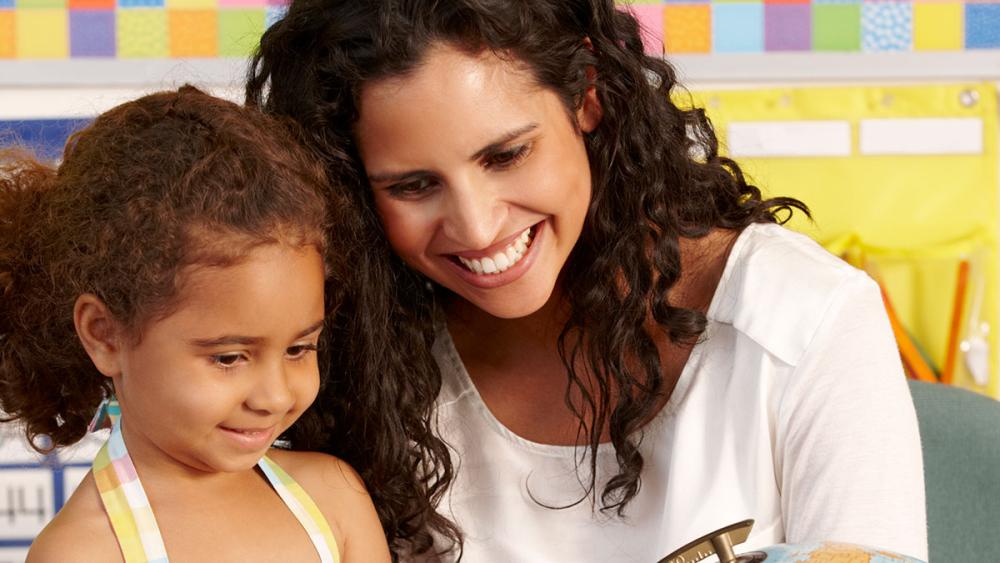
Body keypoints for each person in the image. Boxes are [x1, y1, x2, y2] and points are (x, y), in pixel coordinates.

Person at [247, 1, 929, 561]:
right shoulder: (348, 359)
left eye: (507, 154)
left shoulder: (808, 320)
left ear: (588, 96)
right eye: (414, 185)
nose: (478, 227)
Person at [0, 86, 391, 563]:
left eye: (299, 349)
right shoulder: (82, 553)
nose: (274, 396)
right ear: (104, 334)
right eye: (228, 358)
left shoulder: (335, 499)